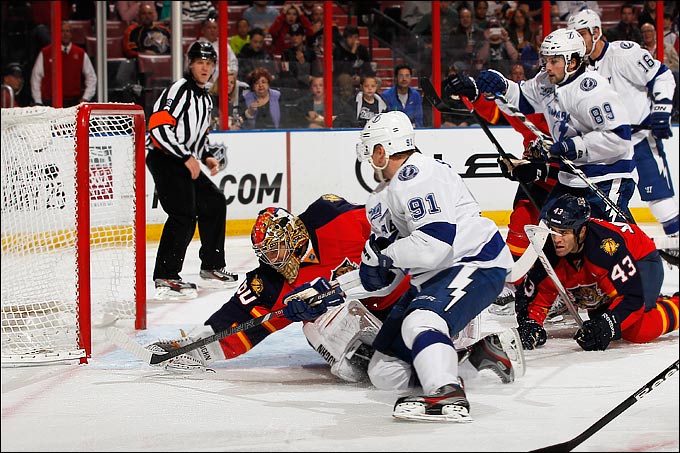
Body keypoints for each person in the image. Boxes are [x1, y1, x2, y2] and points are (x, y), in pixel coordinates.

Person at [143, 195, 522, 385]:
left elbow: (400, 226)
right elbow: (234, 323)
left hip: (409, 294)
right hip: (370, 321)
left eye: (277, 250)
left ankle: (478, 336)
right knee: (315, 321)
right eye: (266, 255)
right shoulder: (270, 281)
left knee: (434, 299)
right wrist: (190, 348)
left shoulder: (334, 218)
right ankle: (457, 359)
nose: (274, 261)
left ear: (294, 234)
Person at [356, 111, 515, 422]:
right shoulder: (381, 198)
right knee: (383, 371)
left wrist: (385, 256)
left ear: (381, 150)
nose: (368, 156)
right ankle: (472, 357)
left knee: (421, 321)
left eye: (370, 148)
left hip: (474, 262)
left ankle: (446, 391)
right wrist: (363, 276)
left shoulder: (419, 174)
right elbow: (394, 266)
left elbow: (433, 246)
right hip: (431, 278)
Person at [475, 28, 637, 226]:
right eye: (546, 60)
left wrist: (572, 146)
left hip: (606, 175)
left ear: (573, 62)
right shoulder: (547, 81)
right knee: (549, 232)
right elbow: (522, 99)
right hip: (571, 176)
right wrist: (502, 85)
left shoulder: (593, 90)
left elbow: (618, 138)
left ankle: (644, 257)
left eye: (554, 61)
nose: (547, 67)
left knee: (608, 240)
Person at [567, 10, 679, 261]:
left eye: (582, 34)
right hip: (604, 146)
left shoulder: (624, 53)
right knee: (606, 203)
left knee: (658, 196)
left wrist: (661, 109)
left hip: (638, 139)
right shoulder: (579, 68)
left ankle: (677, 243)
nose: (578, 40)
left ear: (597, 32)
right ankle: (630, 250)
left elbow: (661, 75)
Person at [516, 194, 679, 351]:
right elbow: (537, 296)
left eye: (564, 232)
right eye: (554, 231)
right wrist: (531, 323)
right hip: (608, 276)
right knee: (598, 321)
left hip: (641, 260)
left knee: (637, 329)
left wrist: (608, 324)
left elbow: (632, 298)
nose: (557, 239)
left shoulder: (606, 249)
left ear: (581, 231)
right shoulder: (550, 249)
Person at [145, 41, 238, 300]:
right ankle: (166, 275)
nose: (205, 68)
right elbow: (158, 128)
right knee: (183, 214)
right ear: (190, 64)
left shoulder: (205, 98)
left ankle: (211, 266)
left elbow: (199, 137)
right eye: (200, 63)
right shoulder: (180, 89)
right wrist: (186, 157)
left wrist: (206, 156)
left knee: (214, 202)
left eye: (209, 63)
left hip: (183, 160)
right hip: (164, 158)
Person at [30, 21, 97, 107]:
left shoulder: (80, 53)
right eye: (62, 31)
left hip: (73, 102)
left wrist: (85, 98)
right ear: (56, 33)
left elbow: (91, 77)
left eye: (67, 31)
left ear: (71, 34)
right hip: (50, 102)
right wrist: (38, 101)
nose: (65, 34)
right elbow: (36, 77)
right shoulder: (46, 52)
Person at [278, 23, 321, 90]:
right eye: (292, 35)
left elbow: (316, 73)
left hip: (309, 86)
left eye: (297, 35)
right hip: (291, 85)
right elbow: (285, 74)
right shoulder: (286, 53)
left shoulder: (311, 53)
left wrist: (303, 63)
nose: (294, 38)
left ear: (303, 37)